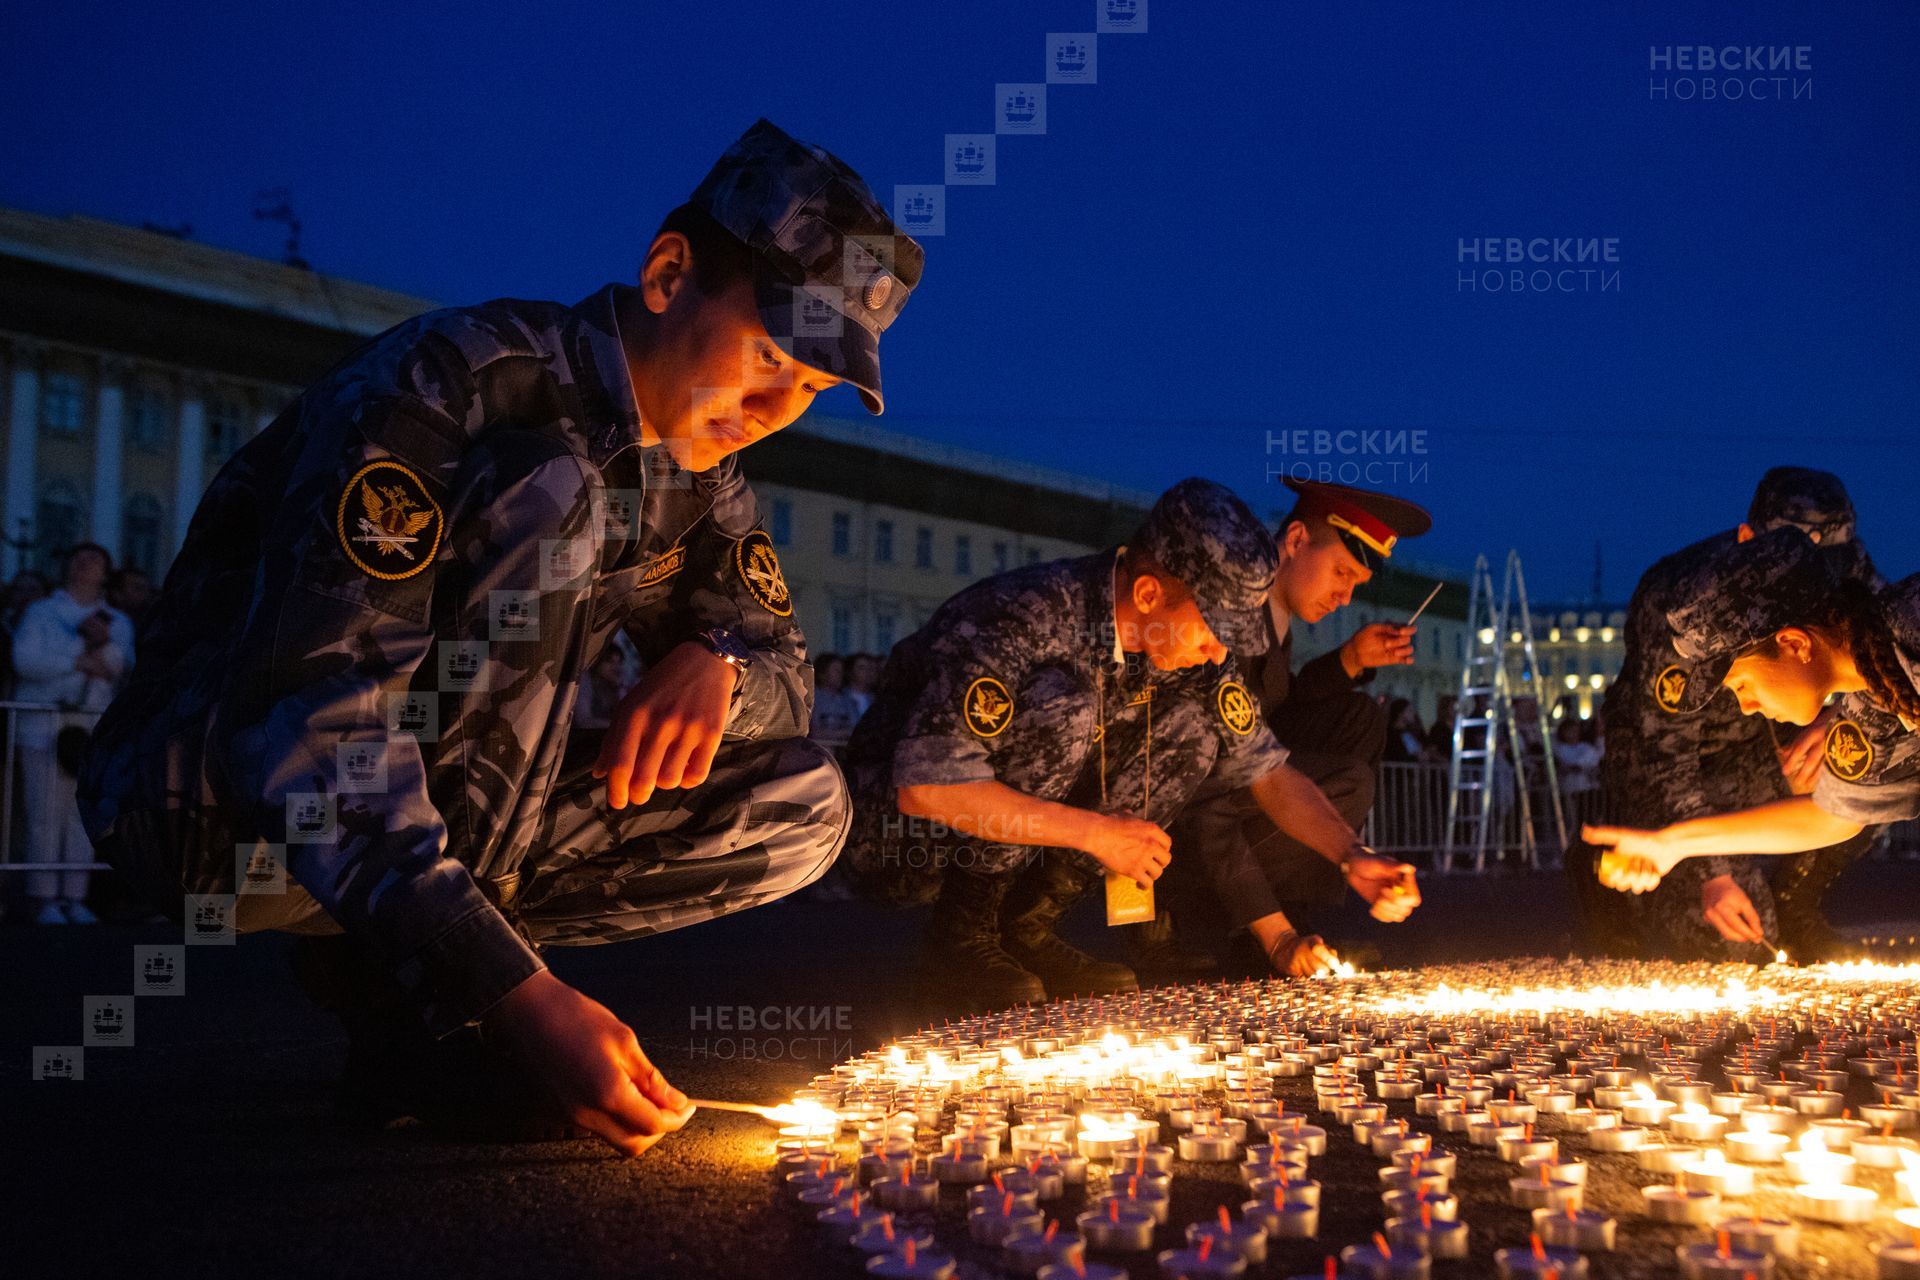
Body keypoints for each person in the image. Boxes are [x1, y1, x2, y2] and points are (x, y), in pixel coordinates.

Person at [78, 119, 922, 1156]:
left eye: (810, 389)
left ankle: (417, 974)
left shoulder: (701, 482)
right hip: (208, 799)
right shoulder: (456, 380)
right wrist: (518, 993)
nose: (770, 408)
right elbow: (300, 705)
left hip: (408, 833)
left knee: (805, 801)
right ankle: (440, 1005)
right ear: (668, 273)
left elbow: (785, 666)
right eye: (765, 356)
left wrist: (725, 666)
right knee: (555, 494)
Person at [840, 478, 1420, 1011]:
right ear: (1147, 593)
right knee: (1067, 707)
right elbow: (926, 786)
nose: (1221, 655)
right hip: (889, 833)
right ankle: (961, 938)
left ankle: (1026, 929)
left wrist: (1353, 856)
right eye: (1215, 633)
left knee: (1192, 731)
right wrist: (1097, 834)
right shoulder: (1026, 617)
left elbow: (1266, 770)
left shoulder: (1184, 649)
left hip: (981, 826)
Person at [1567, 468, 1881, 962]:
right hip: (1688, 768)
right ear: (1747, 541)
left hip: (1770, 748)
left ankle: (1793, 900)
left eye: (1824, 566)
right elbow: (1660, 754)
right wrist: (1698, 861)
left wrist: (1847, 707)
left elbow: (1865, 652)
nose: (1812, 585)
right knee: (1738, 948)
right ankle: (1620, 882)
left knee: (1859, 757)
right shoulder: (1687, 606)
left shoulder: (1867, 599)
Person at [1142, 478, 1433, 976]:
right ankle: (1212, 920)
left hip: (1236, 783)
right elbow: (1220, 759)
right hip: (1176, 825)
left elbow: (1268, 714)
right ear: (1296, 540)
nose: (1343, 598)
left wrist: (1346, 662)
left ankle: (1295, 914)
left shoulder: (1276, 619)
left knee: (1357, 717)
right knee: (1345, 779)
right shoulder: (1225, 616)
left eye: (1355, 585)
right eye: (1341, 572)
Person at [13, 543, 134, 924]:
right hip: (42, 726)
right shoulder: (42, 612)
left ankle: (75, 896)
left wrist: (99, 648)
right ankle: (44, 897)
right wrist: (79, 658)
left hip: (91, 728)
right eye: (79, 558)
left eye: (95, 560)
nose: (85, 564)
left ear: (105, 572)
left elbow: (120, 665)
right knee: (43, 814)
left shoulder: (116, 620)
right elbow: (27, 660)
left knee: (81, 817)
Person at [808, 652, 862, 755]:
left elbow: (856, 730)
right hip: (817, 752)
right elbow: (813, 731)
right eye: (836, 671)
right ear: (822, 673)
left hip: (844, 752)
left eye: (842, 671)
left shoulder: (847, 700)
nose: (841, 675)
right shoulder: (810, 699)